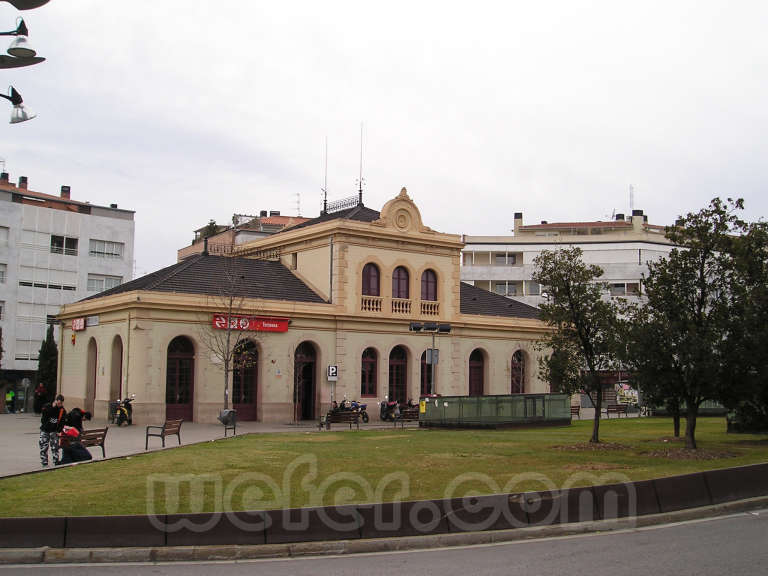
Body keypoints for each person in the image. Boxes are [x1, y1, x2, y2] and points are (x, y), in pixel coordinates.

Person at [39, 395, 67, 467]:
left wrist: (59, 430)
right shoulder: (47, 406)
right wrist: (52, 408)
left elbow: (62, 422)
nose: (59, 405)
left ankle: (56, 461)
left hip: (54, 431)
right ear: (55, 401)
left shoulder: (62, 410)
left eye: (60, 403)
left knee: (55, 447)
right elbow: (44, 417)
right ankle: (44, 462)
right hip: (45, 430)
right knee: (43, 446)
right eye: (58, 403)